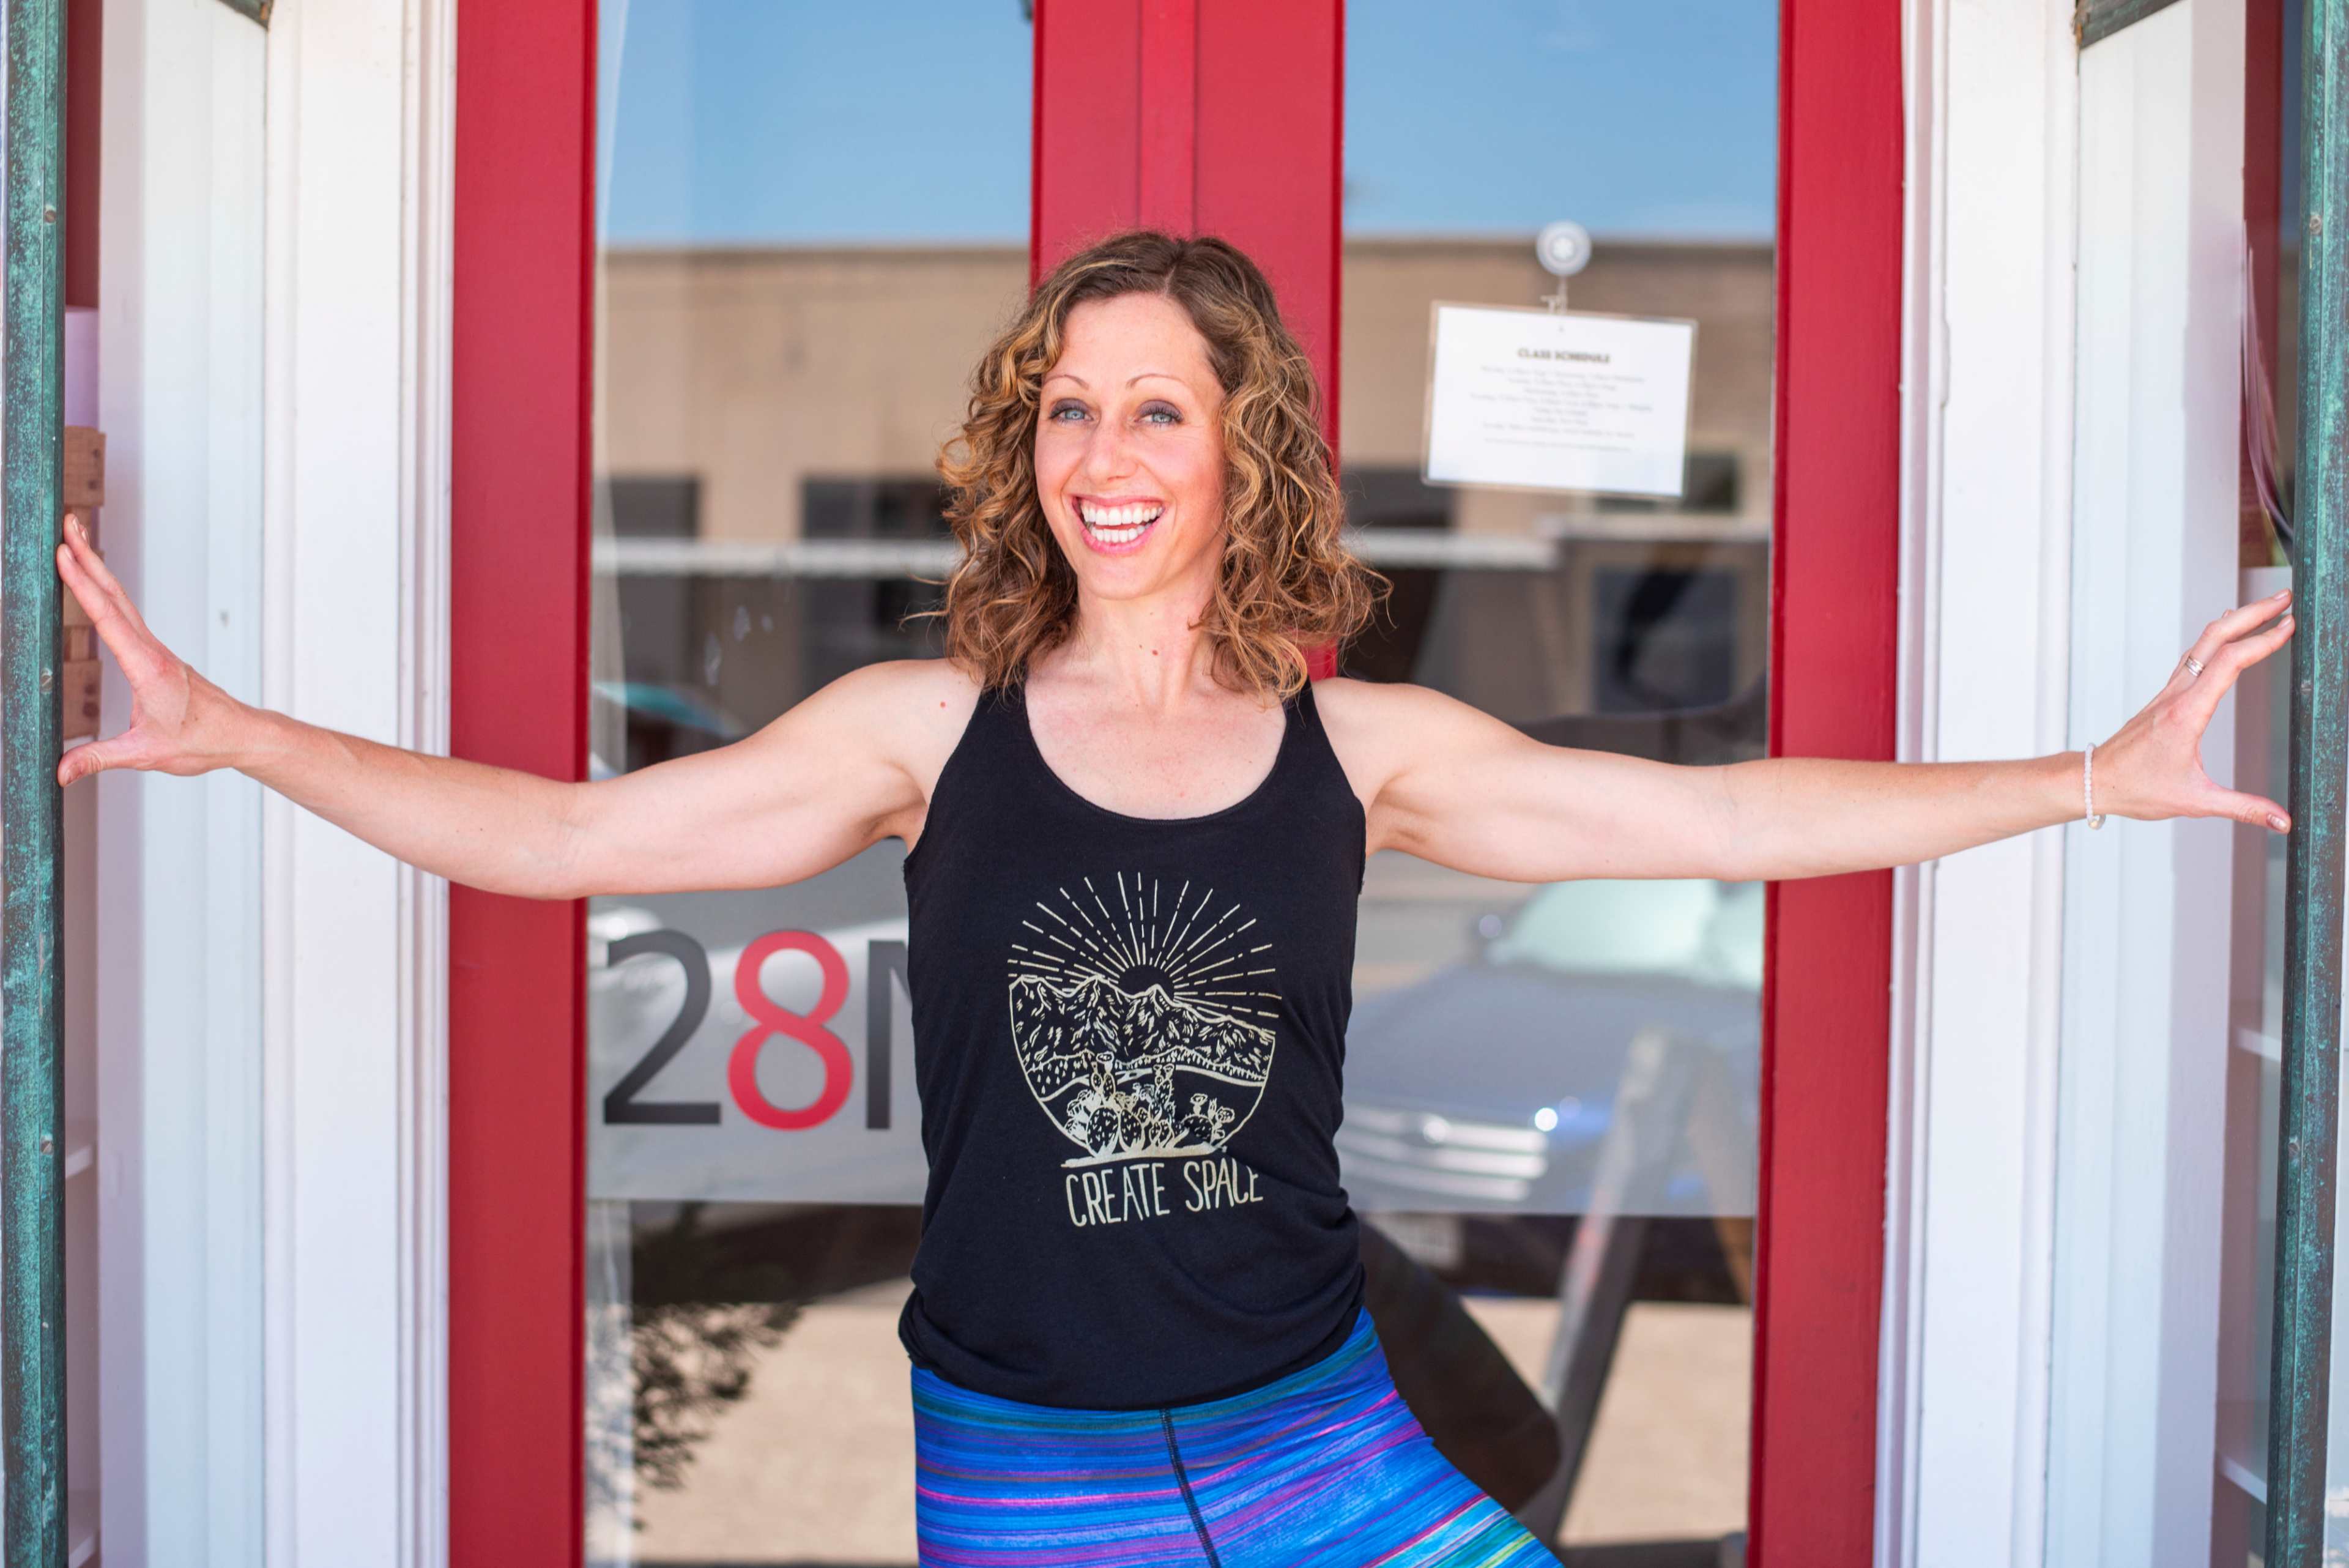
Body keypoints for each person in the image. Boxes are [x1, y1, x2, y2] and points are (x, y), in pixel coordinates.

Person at [55, 228, 2293, 1564]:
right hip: (1023, 1473)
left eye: (1156, 411)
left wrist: (2092, 777)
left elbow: (1726, 823)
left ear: (1245, 451)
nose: (1102, 456)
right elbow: (555, 840)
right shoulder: (926, 734)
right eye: (1066, 409)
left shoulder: (1361, 751)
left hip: (1320, 1432)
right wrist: (234, 729)